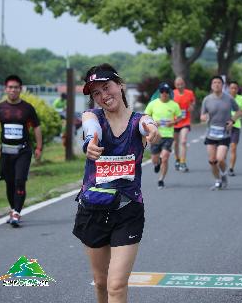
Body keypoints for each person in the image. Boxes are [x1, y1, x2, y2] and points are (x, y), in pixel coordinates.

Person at [72, 63, 159, 303]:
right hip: (93, 208)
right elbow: (90, 129)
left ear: (120, 85)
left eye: (106, 87)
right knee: (101, 283)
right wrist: (89, 143)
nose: (103, 96)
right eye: (96, 93)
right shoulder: (92, 116)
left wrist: (153, 129)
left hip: (127, 210)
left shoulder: (139, 121)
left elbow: (148, 123)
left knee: (117, 285)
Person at [0, 75, 42, 227]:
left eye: (16, 87)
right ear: (6, 89)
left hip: (23, 151)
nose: (13, 90)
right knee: (9, 183)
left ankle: (17, 213)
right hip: (6, 152)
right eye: (10, 87)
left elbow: (37, 128)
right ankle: (13, 209)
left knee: (20, 180)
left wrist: (39, 147)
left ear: (20, 89)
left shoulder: (27, 108)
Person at [200, 76, 242, 190]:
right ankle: (218, 180)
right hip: (211, 134)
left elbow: (239, 111)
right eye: (214, 82)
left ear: (223, 85)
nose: (217, 84)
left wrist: (232, 121)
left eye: (219, 82)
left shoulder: (229, 98)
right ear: (211, 85)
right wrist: (204, 117)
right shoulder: (207, 100)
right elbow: (202, 116)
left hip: (224, 133)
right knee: (212, 161)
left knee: (220, 159)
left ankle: (223, 174)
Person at [144, 82, 182, 189]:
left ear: (169, 93)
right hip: (156, 135)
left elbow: (179, 117)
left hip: (168, 135)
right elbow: (146, 116)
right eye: (162, 92)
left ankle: (161, 179)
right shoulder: (153, 104)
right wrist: (153, 123)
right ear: (159, 93)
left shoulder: (174, 105)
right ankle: (156, 164)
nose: (164, 94)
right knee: (154, 159)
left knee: (165, 158)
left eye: (166, 92)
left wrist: (173, 122)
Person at [173, 77, 196, 172]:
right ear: (175, 85)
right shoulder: (172, 93)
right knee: (175, 143)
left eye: (181, 84)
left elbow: (193, 102)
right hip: (174, 122)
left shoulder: (189, 93)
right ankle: (177, 159)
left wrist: (192, 106)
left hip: (185, 121)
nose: (180, 86)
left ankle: (183, 162)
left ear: (184, 84)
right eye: (178, 84)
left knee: (183, 141)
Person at [228, 81, 242, 176]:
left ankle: (231, 168)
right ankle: (221, 166)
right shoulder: (225, 98)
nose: (233, 90)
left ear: (238, 89)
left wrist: (233, 119)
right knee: (223, 148)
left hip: (235, 126)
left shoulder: (241, 99)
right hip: (225, 126)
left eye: (235, 88)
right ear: (228, 89)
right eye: (231, 88)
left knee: (233, 148)